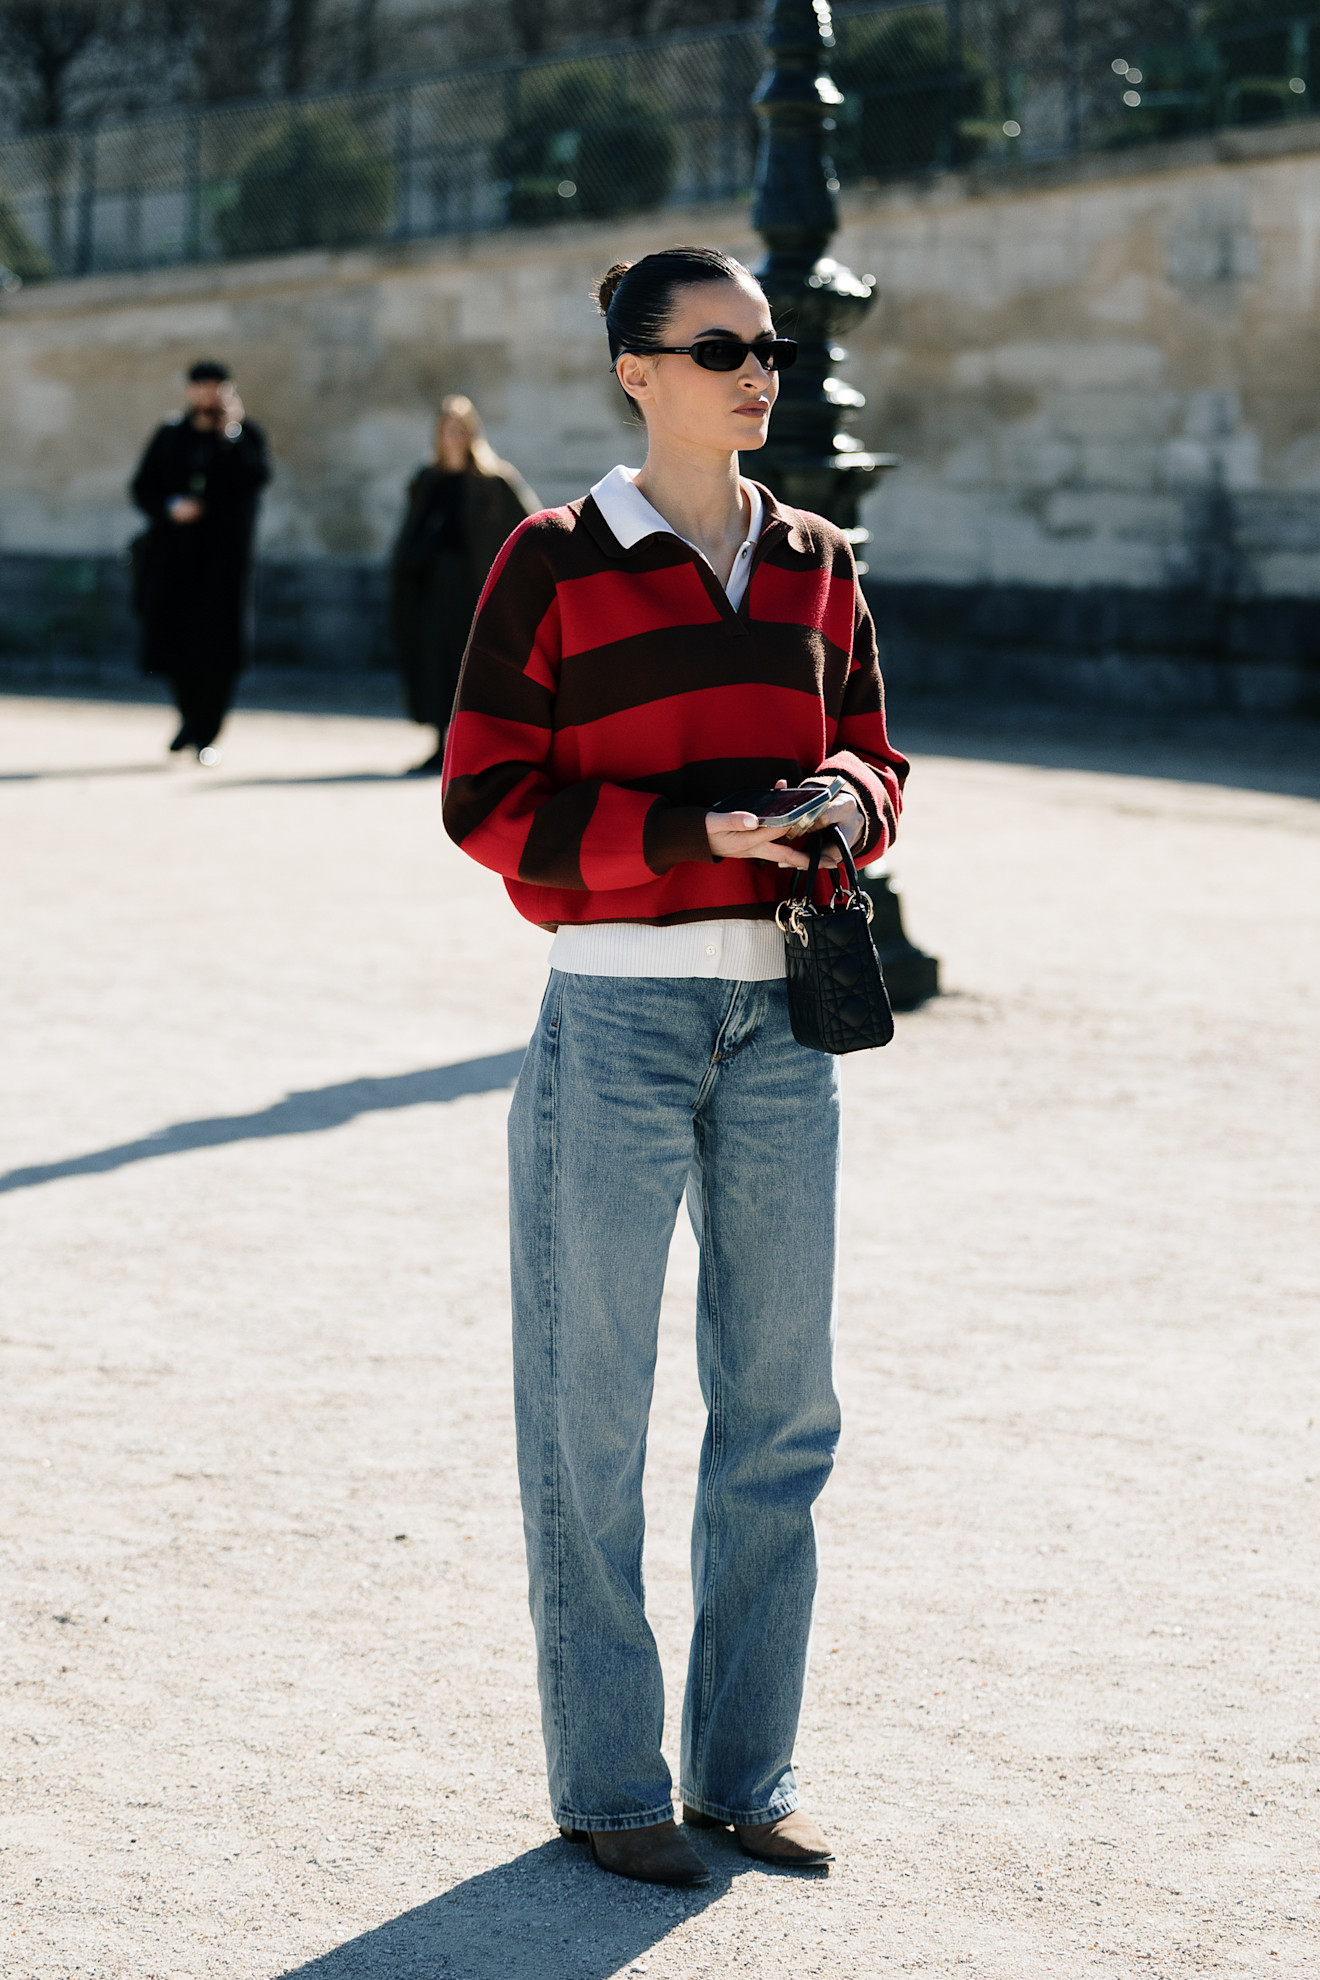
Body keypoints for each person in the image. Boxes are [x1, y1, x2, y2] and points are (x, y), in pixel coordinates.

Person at [442, 246, 908, 1889]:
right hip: (616, 1016)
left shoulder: (818, 560)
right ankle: (610, 1785)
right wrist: (679, 832)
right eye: (721, 347)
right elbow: (485, 802)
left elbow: (875, 743)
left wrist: (849, 800)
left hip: (787, 1020)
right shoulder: (550, 562)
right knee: (590, 1422)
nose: (758, 371)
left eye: (770, 347)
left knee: (782, 1414)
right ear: (637, 370)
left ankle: (742, 1772)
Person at [129, 359, 271, 764]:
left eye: (216, 387)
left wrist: (230, 434)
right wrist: (171, 506)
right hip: (174, 560)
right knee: (172, 644)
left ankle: (206, 732)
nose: (208, 395)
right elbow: (143, 488)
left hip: (224, 564)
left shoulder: (244, 436)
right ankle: (190, 719)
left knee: (220, 650)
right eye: (201, 386)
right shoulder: (171, 434)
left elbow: (255, 479)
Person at [389, 394, 538, 774]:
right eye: (445, 430)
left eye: (458, 430)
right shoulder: (427, 480)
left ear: (471, 433)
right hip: (434, 589)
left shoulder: (493, 481)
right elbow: (410, 534)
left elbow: (531, 530)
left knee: (473, 666)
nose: (451, 438)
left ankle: (475, 749)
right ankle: (441, 743)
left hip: (476, 590)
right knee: (437, 663)